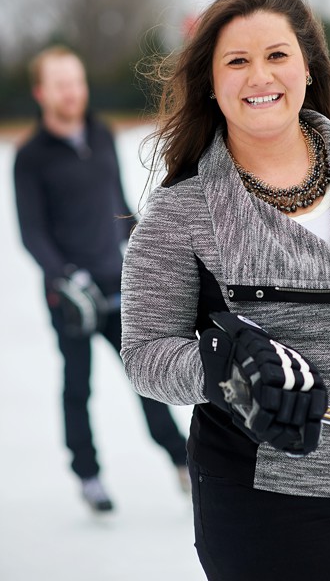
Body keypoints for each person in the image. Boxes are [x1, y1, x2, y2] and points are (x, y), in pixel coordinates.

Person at [120, 0, 330, 581]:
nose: (259, 77)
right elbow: (146, 354)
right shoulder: (180, 213)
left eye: (276, 55)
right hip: (262, 501)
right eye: (237, 61)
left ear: (307, 66)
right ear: (211, 82)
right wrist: (225, 370)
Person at [12, 46, 190, 514]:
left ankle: (181, 460)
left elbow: (118, 204)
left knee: (145, 376)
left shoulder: (101, 133)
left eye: (77, 81)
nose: (73, 91)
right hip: (69, 297)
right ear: (41, 92)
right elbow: (32, 232)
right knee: (77, 388)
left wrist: (146, 245)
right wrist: (65, 277)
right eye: (61, 84)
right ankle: (88, 475)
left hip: (117, 284)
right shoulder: (30, 157)